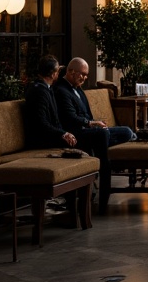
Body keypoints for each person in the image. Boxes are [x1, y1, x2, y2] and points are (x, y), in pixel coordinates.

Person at [54, 57, 136, 188]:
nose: (84, 78)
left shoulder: (78, 89)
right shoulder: (61, 90)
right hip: (76, 133)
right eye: (82, 74)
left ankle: (126, 138)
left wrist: (95, 122)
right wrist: (90, 123)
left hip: (88, 129)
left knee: (125, 131)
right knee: (113, 133)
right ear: (70, 71)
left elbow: (87, 114)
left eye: (86, 75)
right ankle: (104, 170)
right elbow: (70, 118)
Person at [25, 55, 80, 150]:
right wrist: (63, 133)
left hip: (52, 134)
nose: (59, 73)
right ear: (52, 74)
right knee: (89, 138)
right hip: (43, 140)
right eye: (58, 71)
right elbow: (41, 123)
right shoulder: (39, 92)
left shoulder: (47, 88)